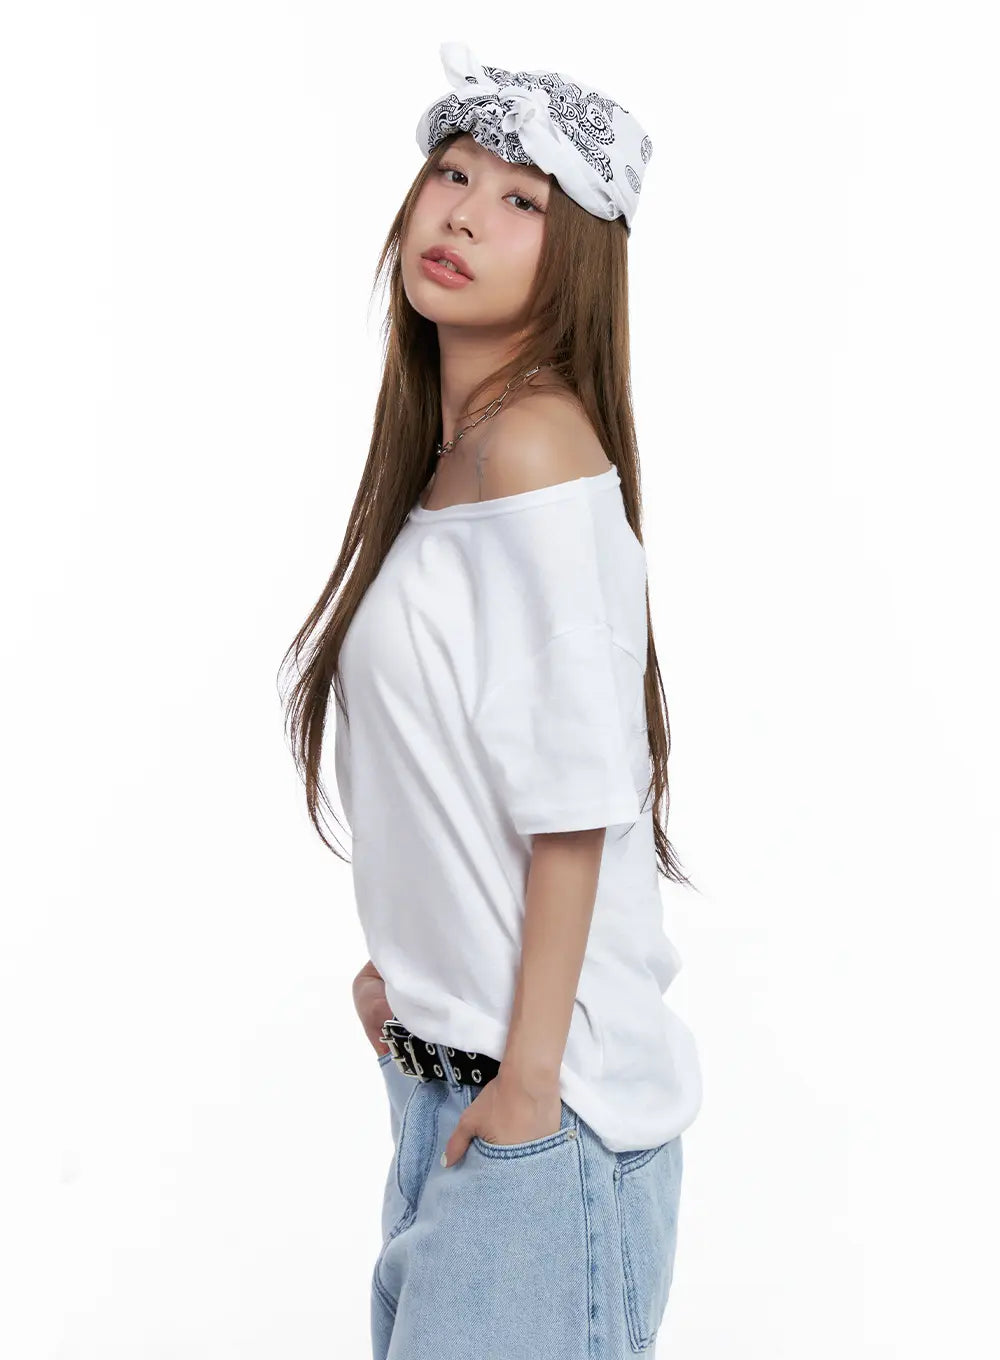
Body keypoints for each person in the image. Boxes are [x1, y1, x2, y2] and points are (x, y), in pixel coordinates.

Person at [281, 40, 703, 1360]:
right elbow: (458, 754)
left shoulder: (533, 446)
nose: (462, 213)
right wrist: (409, 974)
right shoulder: (450, 464)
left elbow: (577, 795)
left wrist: (527, 1081)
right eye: (452, 174)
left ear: (577, 258)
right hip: (452, 1097)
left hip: (548, 1122)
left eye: (522, 199)